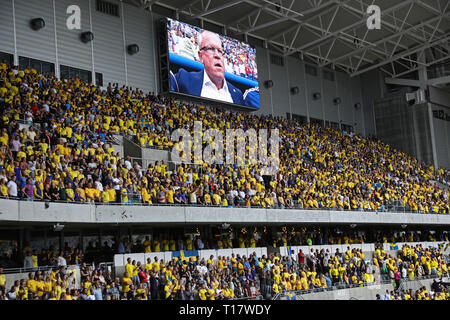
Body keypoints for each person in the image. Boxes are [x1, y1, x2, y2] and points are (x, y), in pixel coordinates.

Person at [170, 30, 244, 105]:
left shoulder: (237, 95)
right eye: (211, 49)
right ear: (200, 56)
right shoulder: (183, 79)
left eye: (220, 51)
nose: (217, 55)